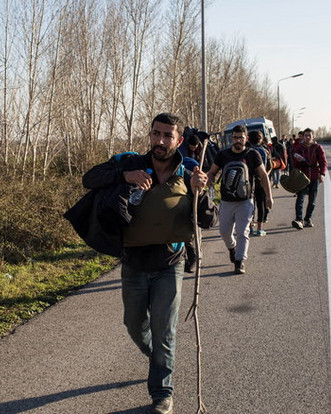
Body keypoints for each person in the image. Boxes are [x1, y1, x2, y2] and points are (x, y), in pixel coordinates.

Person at [82, 112, 216, 414]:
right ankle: (158, 358)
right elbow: (88, 179)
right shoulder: (129, 162)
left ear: (179, 140)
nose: (160, 140)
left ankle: (162, 393)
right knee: (133, 324)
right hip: (133, 263)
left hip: (170, 263)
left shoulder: (191, 169)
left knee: (164, 329)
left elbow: (209, 219)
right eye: (156, 134)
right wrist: (124, 177)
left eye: (168, 135)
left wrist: (201, 192)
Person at [206, 124, 273, 274]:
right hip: (226, 201)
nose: (238, 140)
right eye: (235, 137)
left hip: (246, 200)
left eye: (241, 138)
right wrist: (209, 180)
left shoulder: (252, 154)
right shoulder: (223, 155)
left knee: (243, 231)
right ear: (232, 138)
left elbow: (263, 175)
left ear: (246, 138)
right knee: (224, 231)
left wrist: (269, 196)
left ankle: (240, 261)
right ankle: (232, 248)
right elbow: (212, 172)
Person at [291, 128, 327, 229]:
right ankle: (299, 220)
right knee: (300, 198)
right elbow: (294, 163)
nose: (307, 137)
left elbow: (323, 162)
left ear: (313, 137)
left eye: (309, 136)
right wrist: (297, 160)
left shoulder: (317, 148)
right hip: (302, 177)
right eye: (305, 135)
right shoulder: (299, 148)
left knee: (312, 200)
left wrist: (322, 173)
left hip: (314, 176)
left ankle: (307, 218)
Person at [248, 130, 271, 237]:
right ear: (261, 139)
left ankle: (250, 227)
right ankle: (260, 228)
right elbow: (270, 166)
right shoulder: (265, 151)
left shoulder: (247, 151)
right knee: (261, 204)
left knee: (250, 205)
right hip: (261, 181)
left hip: (249, 181)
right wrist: (265, 175)